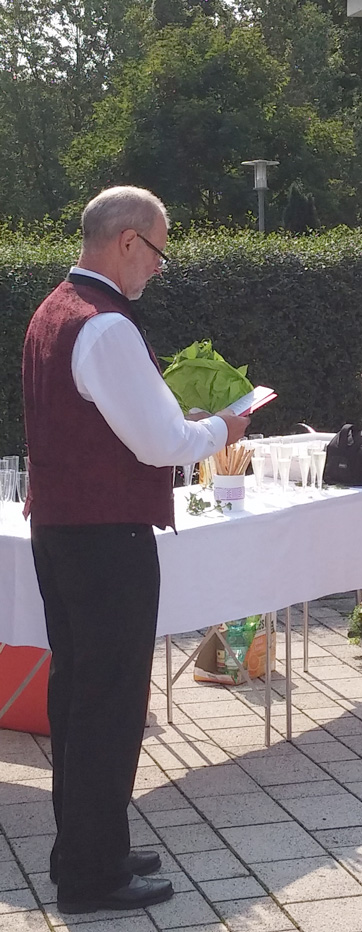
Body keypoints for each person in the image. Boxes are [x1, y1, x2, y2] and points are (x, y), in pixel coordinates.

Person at [21, 186, 249, 914]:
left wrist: (178, 422)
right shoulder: (105, 325)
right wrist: (223, 428)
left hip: (64, 531)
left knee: (82, 695)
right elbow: (161, 445)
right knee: (109, 704)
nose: (158, 266)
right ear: (125, 242)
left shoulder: (53, 309)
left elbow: (122, 421)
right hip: (104, 539)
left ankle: (89, 847)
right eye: (157, 250)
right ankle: (93, 875)